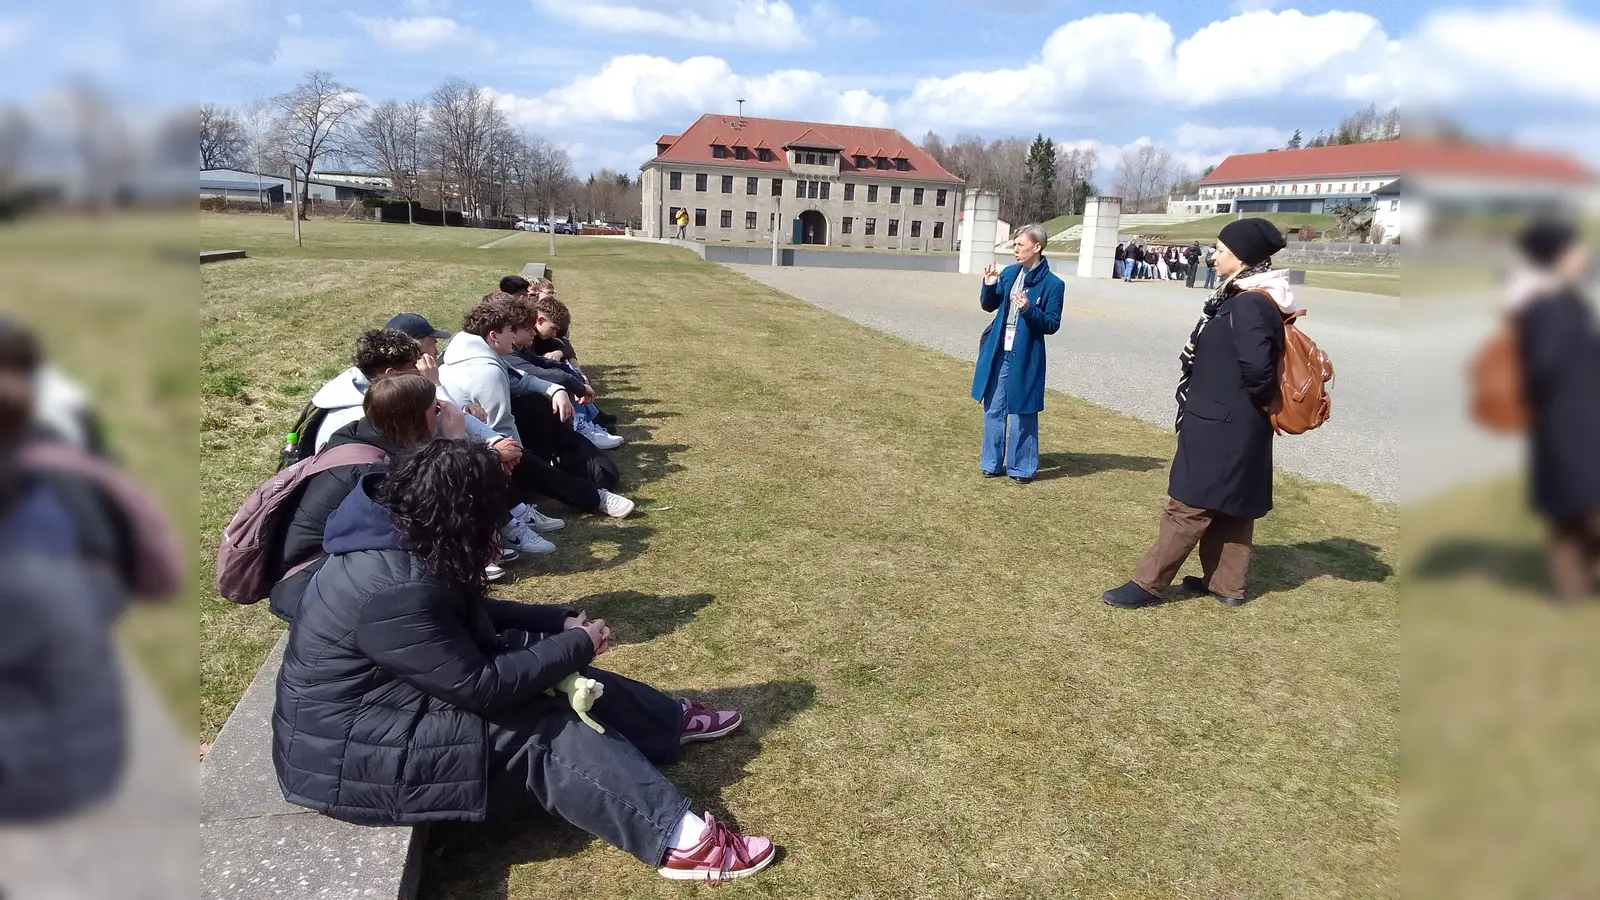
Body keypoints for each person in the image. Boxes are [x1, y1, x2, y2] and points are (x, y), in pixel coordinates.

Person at [271, 439, 774, 882]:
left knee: (542, 665)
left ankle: (664, 722)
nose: (504, 523)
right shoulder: (393, 587)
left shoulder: (395, 537)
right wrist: (577, 644)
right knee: (536, 725)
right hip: (351, 755)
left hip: (379, 714)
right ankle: (680, 842)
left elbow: (461, 612)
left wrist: (554, 622)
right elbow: (481, 688)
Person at [1102, 217, 1289, 608]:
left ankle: (1148, 583)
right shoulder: (1245, 297)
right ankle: (1227, 585)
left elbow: (1258, 369)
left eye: (1220, 250)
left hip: (1224, 422)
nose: (1212, 255)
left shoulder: (1251, 303)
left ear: (1241, 257)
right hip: (1234, 421)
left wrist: (1239, 405)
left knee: (1187, 504)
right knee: (1232, 505)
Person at [309, 326, 558, 558]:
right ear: (391, 374)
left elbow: (444, 420)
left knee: (475, 449)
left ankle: (505, 523)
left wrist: (490, 443)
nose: (425, 366)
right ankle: (482, 541)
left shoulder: (381, 400)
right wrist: (477, 451)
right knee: (463, 461)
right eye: (415, 369)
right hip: (341, 541)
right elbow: (420, 478)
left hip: (364, 516)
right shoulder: (360, 414)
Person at [269, 373, 493, 620]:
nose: (441, 414)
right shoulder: (375, 473)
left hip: (316, 574)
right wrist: (457, 444)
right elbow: (441, 522)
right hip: (315, 591)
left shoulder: (355, 435)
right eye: (435, 408)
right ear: (413, 418)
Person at [440, 294, 634, 518]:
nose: (514, 337)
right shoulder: (485, 371)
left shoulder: (470, 347)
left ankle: (543, 476)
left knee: (536, 404)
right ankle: (593, 497)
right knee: (522, 454)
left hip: (476, 433)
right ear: (494, 335)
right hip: (473, 447)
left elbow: (519, 377)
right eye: (510, 331)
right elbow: (502, 431)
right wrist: (525, 461)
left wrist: (555, 390)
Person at [1510, 219, 1600, 601]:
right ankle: (1570, 586)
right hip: (1569, 422)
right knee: (1576, 508)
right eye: (1577, 249)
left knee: (1571, 513)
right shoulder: (1547, 305)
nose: (1584, 256)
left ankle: (1572, 587)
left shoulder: (1563, 298)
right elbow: (1543, 366)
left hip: (1576, 418)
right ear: (1558, 256)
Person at [972, 223, 1066, 483]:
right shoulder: (1009, 274)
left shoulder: (1053, 284)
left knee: (1023, 412)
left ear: (1037, 247)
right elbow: (989, 305)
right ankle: (991, 463)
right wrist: (989, 285)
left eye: (1020, 245)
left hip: (1026, 356)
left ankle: (1022, 468)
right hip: (999, 351)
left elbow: (1052, 324)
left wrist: (1028, 309)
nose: (1015, 249)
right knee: (993, 408)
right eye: (1014, 244)